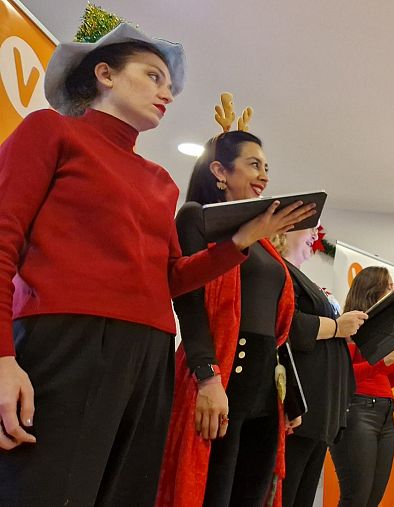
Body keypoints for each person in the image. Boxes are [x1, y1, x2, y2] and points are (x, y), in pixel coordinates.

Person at [0, 24, 311, 506]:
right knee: (47, 490)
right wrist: (2, 359)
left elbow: (172, 277)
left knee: (124, 492)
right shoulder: (50, 131)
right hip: (68, 338)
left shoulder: (159, 180)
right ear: (104, 72)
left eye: (170, 85)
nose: (167, 92)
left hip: (151, 353)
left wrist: (242, 240)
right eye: (153, 76)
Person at [158, 113, 319, 505]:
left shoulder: (262, 240)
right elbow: (189, 302)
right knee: (210, 493)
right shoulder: (196, 217)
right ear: (219, 171)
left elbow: (275, 328)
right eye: (253, 164)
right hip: (218, 378)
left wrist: (290, 400)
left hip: (264, 391)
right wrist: (208, 379)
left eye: (266, 167)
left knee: (251, 495)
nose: (263, 174)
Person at [329, 266, 394, 507]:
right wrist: (380, 363)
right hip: (356, 413)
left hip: (385, 413)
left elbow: (385, 382)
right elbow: (343, 375)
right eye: (388, 285)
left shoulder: (380, 328)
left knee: (373, 499)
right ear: (371, 290)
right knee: (356, 497)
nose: (393, 289)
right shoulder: (347, 326)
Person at [280, 230, 367, 507]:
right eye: (309, 228)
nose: (315, 235)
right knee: (287, 495)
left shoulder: (306, 280)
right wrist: (337, 327)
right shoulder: (280, 273)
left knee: (301, 497)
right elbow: (289, 325)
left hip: (321, 414)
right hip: (300, 410)